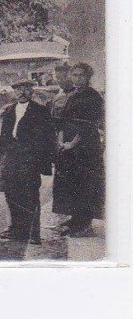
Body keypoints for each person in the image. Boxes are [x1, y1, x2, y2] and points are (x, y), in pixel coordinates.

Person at [0, 79, 55, 245]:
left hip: (30, 157)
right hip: (11, 156)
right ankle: (17, 230)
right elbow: (4, 133)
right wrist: (1, 151)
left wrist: (42, 160)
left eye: (25, 89)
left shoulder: (40, 111)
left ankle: (34, 233)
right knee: (12, 193)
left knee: (30, 194)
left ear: (31, 91)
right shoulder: (10, 110)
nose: (21, 92)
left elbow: (48, 137)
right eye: (17, 89)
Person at [53, 62, 104, 237]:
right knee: (71, 182)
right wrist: (61, 140)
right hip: (68, 145)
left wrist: (72, 144)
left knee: (85, 184)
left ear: (88, 77)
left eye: (80, 75)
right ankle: (75, 219)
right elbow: (63, 120)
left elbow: (89, 125)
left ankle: (84, 224)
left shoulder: (93, 97)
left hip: (85, 147)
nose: (76, 78)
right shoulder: (73, 95)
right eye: (74, 75)